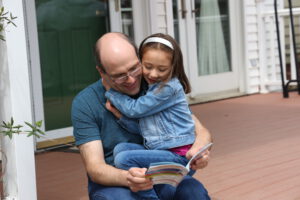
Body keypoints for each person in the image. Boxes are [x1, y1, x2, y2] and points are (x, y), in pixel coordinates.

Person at [71, 32, 212, 200]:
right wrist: (132, 179)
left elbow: (200, 130)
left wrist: (199, 152)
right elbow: (95, 169)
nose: (130, 79)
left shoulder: (156, 83)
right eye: (119, 75)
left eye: (134, 68)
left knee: (193, 191)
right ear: (101, 72)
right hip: (117, 182)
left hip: (162, 173)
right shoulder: (85, 103)